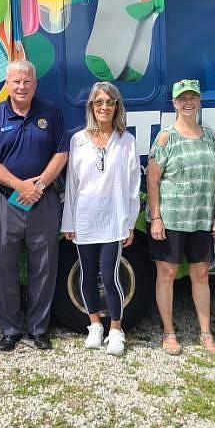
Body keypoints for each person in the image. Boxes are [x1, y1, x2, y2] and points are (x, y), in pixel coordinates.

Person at [0, 60, 69, 351]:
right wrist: (20, 186)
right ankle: (10, 329)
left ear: (35, 84)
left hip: (44, 200)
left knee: (43, 265)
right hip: (6, 201)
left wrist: (39, 185)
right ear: (7, 84)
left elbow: (62, 153)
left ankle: (39, 328)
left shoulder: (51, 112)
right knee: (4, 266)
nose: (21, 86)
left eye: (27, 81)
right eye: (16, 81)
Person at [146, 79, 215, 357]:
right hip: (170, 219)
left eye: (193, 97)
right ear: (174, 103)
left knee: (201, 274)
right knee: (166, 274)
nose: (188, 102)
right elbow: (152, 179)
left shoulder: (210, 136)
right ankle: (169, 333)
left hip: (201, 219)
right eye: (182, 98)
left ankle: (206, 333)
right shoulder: (165, 137)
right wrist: (156, 218)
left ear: (200, 101)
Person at [61, 82, 140, 356]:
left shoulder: (126, 141)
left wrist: (130, 222)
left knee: (109, 275)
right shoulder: (78, 140)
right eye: (98, 102)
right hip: (85, 219)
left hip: (114, 220)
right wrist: (68, 222)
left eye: (109, 102)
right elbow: (71, 185)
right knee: (85, 273)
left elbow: (133, 185)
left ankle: (116, 330)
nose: (104, 107)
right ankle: (94, 325)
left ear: (116, 106)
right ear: (91, 107)